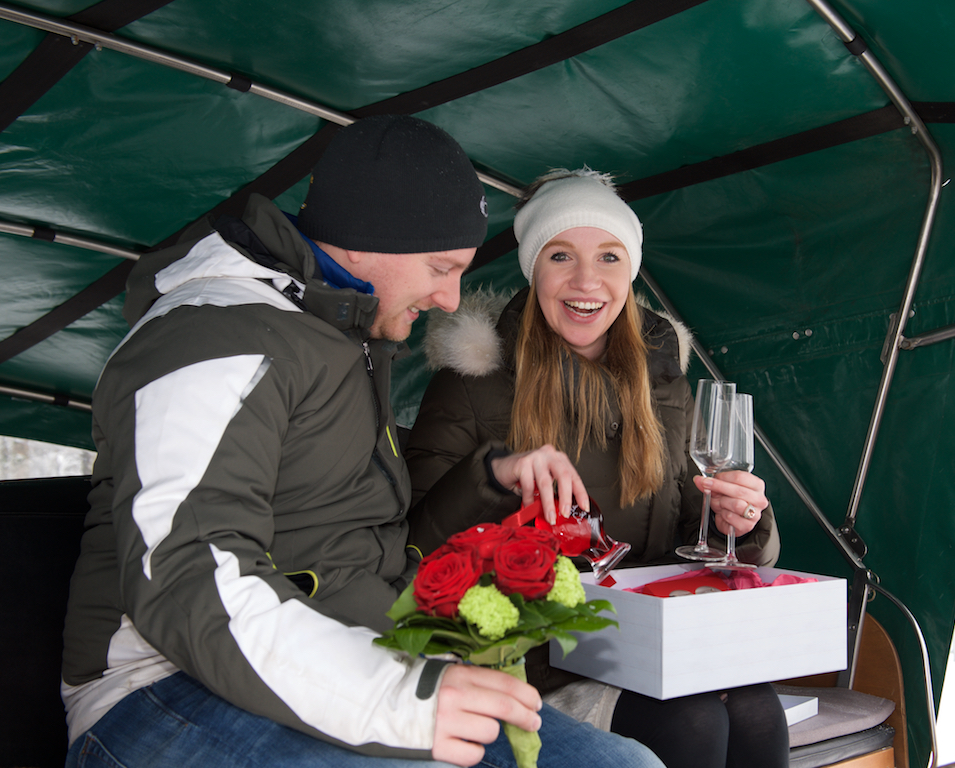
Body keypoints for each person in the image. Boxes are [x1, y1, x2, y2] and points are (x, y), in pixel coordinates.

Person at [60, 118, 664, 768]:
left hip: (357, 650)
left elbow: (366, 551)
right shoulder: (214, 337)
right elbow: (186, 575)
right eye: (440, 267)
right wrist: (401, 701)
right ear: (370, 238)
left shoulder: (349, 333)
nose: (449, 297)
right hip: (161, 682)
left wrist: (489, 484)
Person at [404, 168, 789, 768]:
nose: (587, 281)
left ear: (629, 270)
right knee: (691, 721)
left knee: (758, 711)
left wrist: (740, 522)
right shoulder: (470, 386)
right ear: (534, 270)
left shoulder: (663, 384)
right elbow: (413, 556)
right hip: (533, 663)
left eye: (609, 256)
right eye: (562, 255)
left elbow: (693, 543)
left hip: (647, 649)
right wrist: (493, 478)